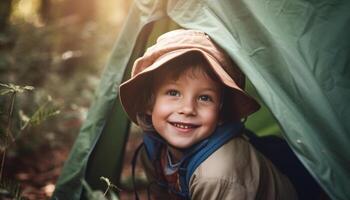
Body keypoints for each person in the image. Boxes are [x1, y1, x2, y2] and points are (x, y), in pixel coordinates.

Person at [119, 29, 297, 200]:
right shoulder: (154, 150)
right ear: (149, 102)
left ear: (221, 111)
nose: (188, 109)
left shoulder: (216, 174)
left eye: (205, 97)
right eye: (173, 93)